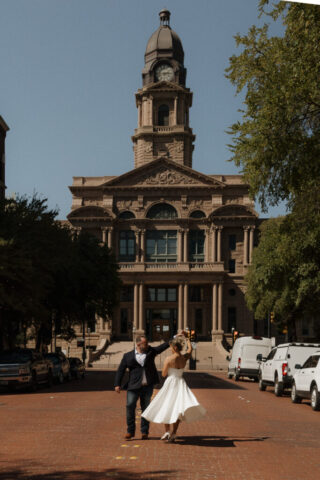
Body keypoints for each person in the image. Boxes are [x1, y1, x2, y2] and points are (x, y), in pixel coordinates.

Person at [141, 334, 206, 443]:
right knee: (177, 409)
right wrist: (187, 340)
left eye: (171, 346)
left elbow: (164, 374)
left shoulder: (169, 358)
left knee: (166, 405)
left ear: (175, 347)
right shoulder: (184, 357)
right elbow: (190, 349)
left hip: (171, 383)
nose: (170, 348)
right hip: (181, 383)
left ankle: (167, 431)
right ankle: (174, 433)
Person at [114, 334, 175, 440]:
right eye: (145, 343)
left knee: (146, 409)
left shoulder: (151, 351)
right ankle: (130, 431)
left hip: (147, 386)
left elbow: (162, 347)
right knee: (130, 407)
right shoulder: (127, 356)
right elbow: (121, 370)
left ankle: (144, 431)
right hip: (133, 386)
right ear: (138, 344)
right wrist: (117, 384)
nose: (147, 345)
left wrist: (174, 338)